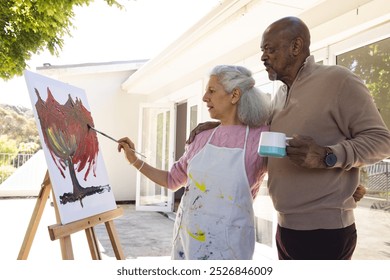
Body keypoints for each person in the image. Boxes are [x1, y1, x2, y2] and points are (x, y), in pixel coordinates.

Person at [188, 16, 389, 260]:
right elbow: (254, 135)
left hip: (325, 232)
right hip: (285, 228)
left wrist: (327, 156)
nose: (263, 57)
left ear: (296, 46)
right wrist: (222, 125)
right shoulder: (280, 95)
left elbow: (381, 141)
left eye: (270, 50)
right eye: (263, 51)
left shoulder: (339, 80)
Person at [117, 65, 271, 260]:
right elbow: (173, 180)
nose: (205, 97)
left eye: (212, 91)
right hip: (188, 244)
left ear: (235, 95)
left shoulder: (262, 137)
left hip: (230, 248)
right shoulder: (201, 137)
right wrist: (134, 161)